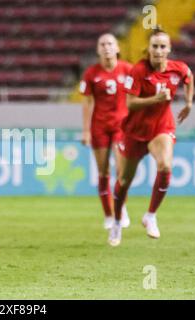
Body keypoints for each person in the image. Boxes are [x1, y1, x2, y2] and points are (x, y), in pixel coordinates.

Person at [108, 28, 195, 246]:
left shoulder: (178, 69)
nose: (158, 50)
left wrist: (189, 103)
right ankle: (117, 222)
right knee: (124, 181)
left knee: (165, 166)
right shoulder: (138, 70)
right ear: (148, 48)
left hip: (160, 128)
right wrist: (156, 99)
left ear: (169, 49)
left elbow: (189, 77)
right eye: (154, 46)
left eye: (162, 46)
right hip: (135, 132)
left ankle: (151, 216)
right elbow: (130, 103)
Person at [79, 33, 132, 230]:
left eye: (110, 43)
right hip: (99, 127)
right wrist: (86, 131)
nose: (106, 47)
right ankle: (109, 215)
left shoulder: (128, 69)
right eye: (102, 44)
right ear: (97, 49)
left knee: (122, 171)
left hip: (121, 127)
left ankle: (121, 208)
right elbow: (86, 102)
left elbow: (138, 95)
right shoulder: (92, 73)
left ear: (117, 47)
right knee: (103, 173)